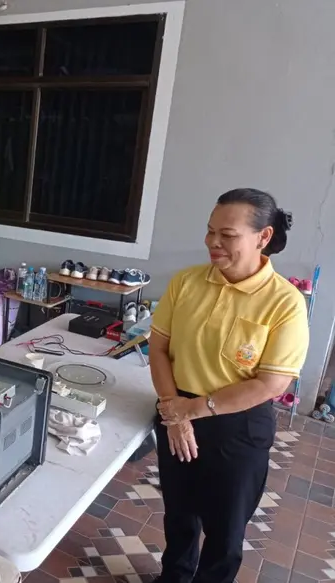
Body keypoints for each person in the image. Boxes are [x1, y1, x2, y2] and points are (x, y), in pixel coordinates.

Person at [149, 188, 309, 583]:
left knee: (224, 533)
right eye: (210, 231)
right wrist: (174, 410)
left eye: (227, 235)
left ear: (263, 237)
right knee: (179, 515)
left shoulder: (284, 302)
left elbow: (270, 383)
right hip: (176, 410)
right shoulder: (187, 282)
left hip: (237, 427)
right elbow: (159, 347)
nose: (213, 242)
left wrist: (192, 411)